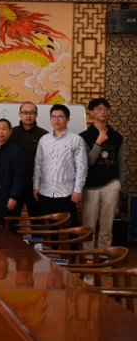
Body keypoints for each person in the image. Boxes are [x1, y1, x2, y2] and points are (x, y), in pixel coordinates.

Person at [80, 98, 126, 254]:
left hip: (111, 184)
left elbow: (121, 162)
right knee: (88, 225)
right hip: (90, 186)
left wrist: (119, 182)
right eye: (99, 109)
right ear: (91, 112)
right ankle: (88, 258)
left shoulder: (117, 136)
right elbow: (88, 162)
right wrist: (98, 143)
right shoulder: (84, 136)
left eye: (105, 108)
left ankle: (104, 257)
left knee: (107, 225)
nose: (103, 111)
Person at [33, 104, 88, 228]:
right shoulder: (44, 139)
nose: (56, 120)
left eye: (60, 117)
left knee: (69, 228)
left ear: (68, 119)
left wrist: (78, 189)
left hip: (67, 193)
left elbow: (81, 167)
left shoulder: (76, 140)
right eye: (53, 117)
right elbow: (38, 164)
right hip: (45, 191)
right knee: (49, 228)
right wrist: (36, 186)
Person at [10, 102, 48, 222]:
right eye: (25, 112)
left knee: (37, 221)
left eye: (31, 112)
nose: (28, 115)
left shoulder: (44, 135)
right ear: (20, 114)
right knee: (12, 220)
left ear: (36, 115)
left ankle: (37, 236)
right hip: (14, 185)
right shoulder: (11, 133)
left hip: (36, 186)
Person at [0, 119, 25, 231]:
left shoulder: (16, 151)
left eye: (4, 129)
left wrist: (13, 197)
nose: (1, 132)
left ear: (10, 131)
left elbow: (19, 176)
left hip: (6, 196)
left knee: (7, 230)